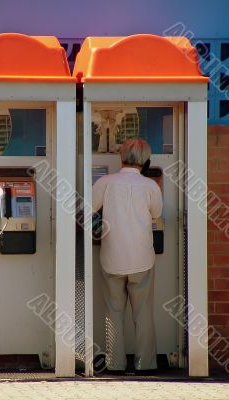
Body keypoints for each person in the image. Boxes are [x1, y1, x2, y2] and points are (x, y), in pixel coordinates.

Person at [92, 138, 163, 373]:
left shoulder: (105, 182)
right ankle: (145, 364)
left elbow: (88, 209)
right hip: (142, 258)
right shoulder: (151, 186)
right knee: (143, 313)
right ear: (146, 161)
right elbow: (157, 214)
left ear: (120, 157)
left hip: (112, 257)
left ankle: (115, 363)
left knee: (113, 312)